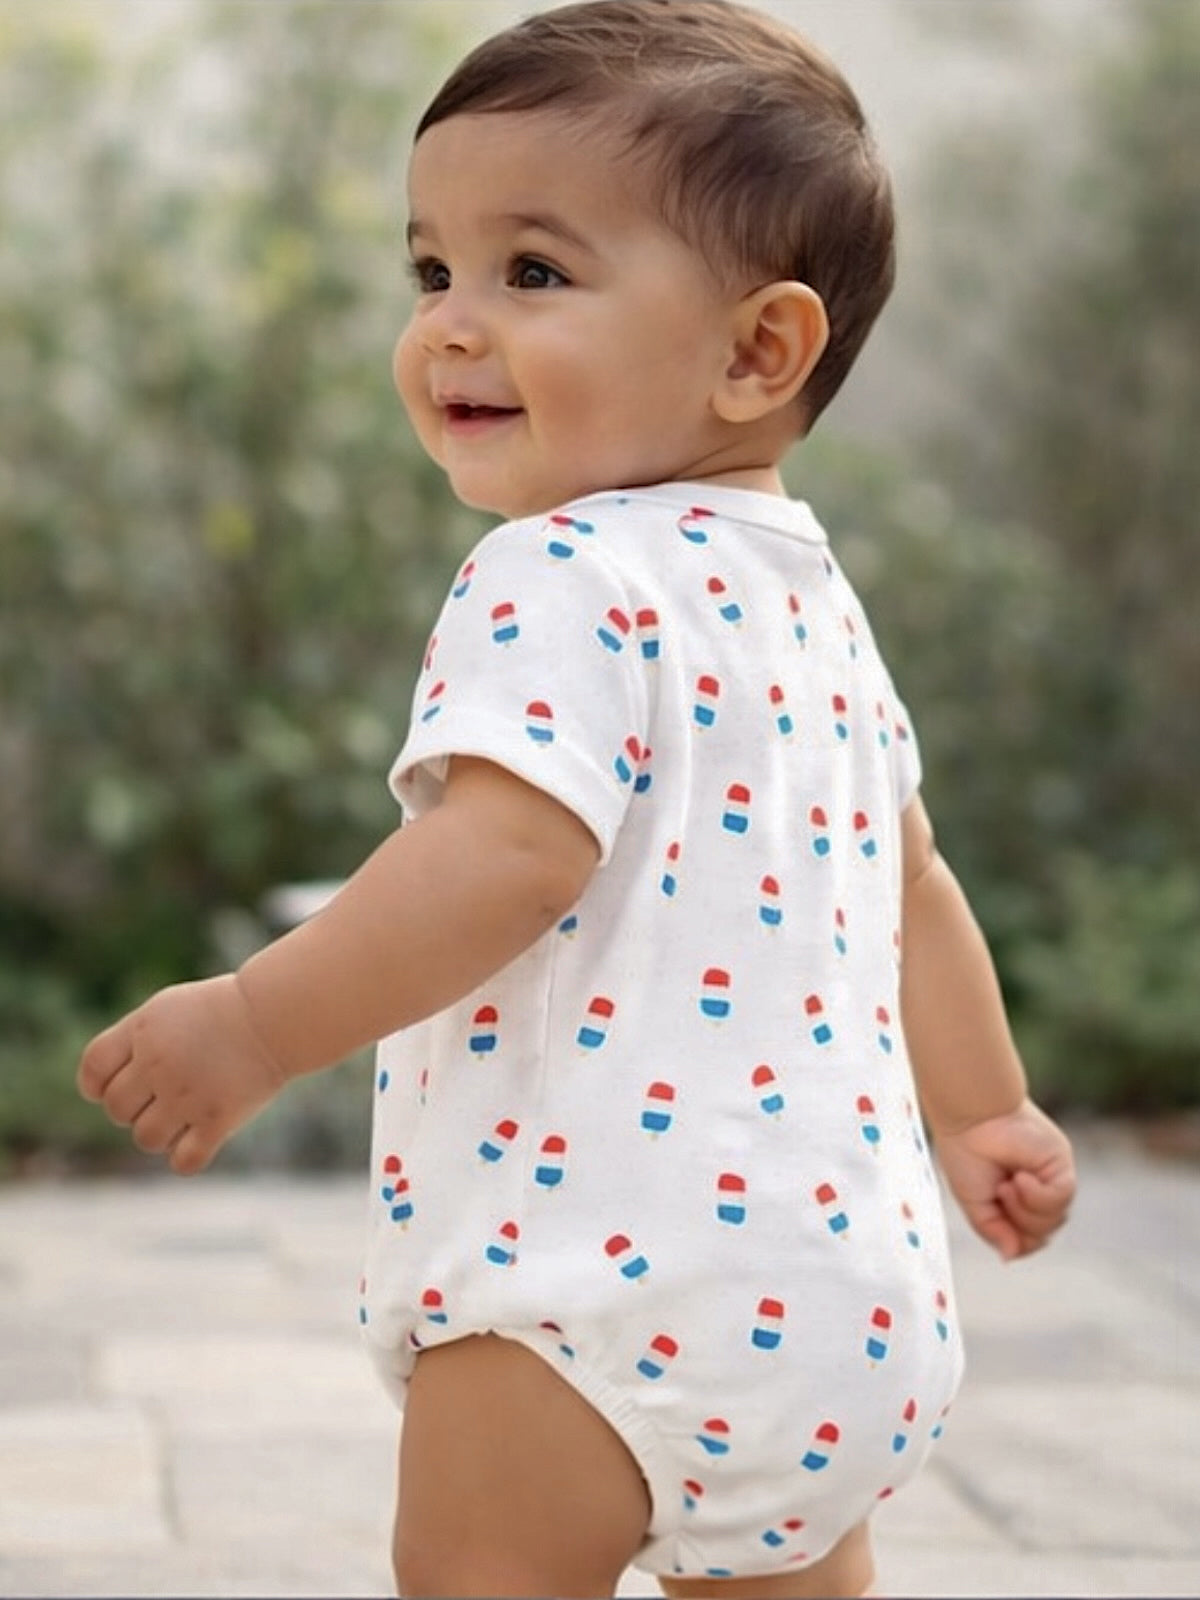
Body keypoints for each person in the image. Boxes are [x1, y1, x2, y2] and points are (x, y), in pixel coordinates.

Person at [77, 3, 1077, 1595]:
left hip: (597, 1281)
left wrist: (256, 1024)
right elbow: (912, 884)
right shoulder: (810, 595)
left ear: (759, 350)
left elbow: (505, 855)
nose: (451, 326)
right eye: (432, 271)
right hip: (844, 1289)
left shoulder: (556, 569)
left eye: (531, 272)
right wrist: (988, 1109)